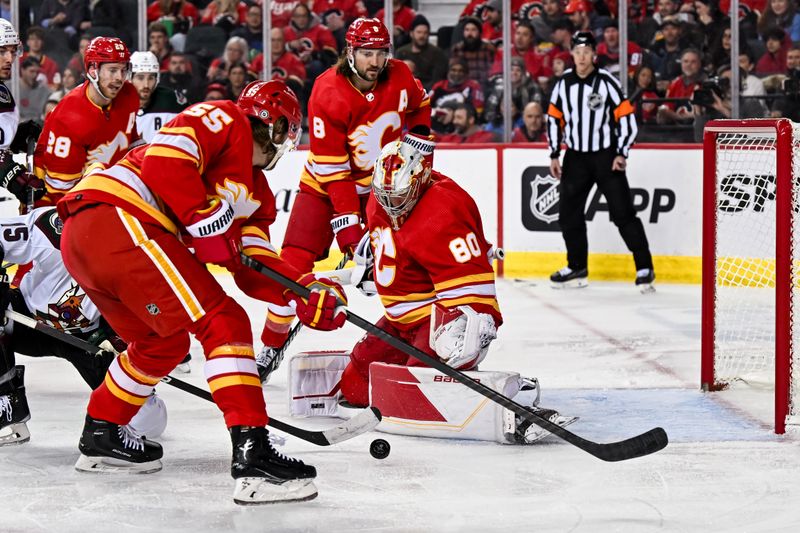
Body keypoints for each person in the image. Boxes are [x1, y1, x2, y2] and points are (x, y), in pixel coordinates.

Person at [56, 80, 348, 504]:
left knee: (162, 344)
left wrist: (301, 291)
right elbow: (164, 163)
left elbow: (252, 266)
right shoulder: (224, 118)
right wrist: (201, 215)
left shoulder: (258, 195)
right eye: (287, 132)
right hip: (119, 217)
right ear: (278, 125)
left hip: (95, 240)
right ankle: (253, 455)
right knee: (225, 321)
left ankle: (102, 432)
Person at [316, 133, 573, 445]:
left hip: (434, 322)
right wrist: (373, 270)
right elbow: (390, 244)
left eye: (397, 197)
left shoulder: (442, 210)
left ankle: (513, 396)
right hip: (400, 322)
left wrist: (465, 330)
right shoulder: (384, 194)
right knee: (355, 388)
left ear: (420, 179)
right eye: (383, 195)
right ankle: (452, 380)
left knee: (413, 392)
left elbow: (473, 284)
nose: (389, 204)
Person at [260, 18, 430, 370]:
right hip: (323, 186)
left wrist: (420, 137)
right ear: (350, 53)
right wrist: (350, 231)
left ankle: (419, 335)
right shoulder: (327, 91)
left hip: (384, 190)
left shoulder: (399, 75)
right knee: (288, 269)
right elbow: (335, 173)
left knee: (404, 264)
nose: (375, 62)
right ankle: (269, 346)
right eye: (367, 53)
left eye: (381, 53)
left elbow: (420, 104)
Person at [0, 206, 167, 447]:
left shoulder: (142, 246)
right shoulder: (50, 227)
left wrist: (121, 339)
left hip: (90, 339)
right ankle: (6, 403)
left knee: (148, 425)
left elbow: (150, 309)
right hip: (29, 319)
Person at [546, 31, 654, 290]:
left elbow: (627, 119)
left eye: (586, 52)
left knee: (623, 213)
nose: (582, 57)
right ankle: (577, 266)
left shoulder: (607, 82)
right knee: (568, 214)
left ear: (594, 54)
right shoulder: (563, 83)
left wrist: (622, 152)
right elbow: (553, 119)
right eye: (577, 52)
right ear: (572, 54)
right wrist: (554, 153)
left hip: (606, 157)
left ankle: (644, 267)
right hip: (576, 157)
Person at [34, 36, 141, 205]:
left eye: (123, 70)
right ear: (93, 70)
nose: (120, 78)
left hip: (106, 190)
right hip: (53, 201)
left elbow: (131, 140)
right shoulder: (69, 117)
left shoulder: (128, 95)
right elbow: (60, 190)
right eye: (113, 70)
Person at [130, 51, 188, 143]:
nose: (146, 84)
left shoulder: (172, 100)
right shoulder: (117, 102)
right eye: (140, 78)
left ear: (157, 79)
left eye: (151, 78)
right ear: (130, 78)